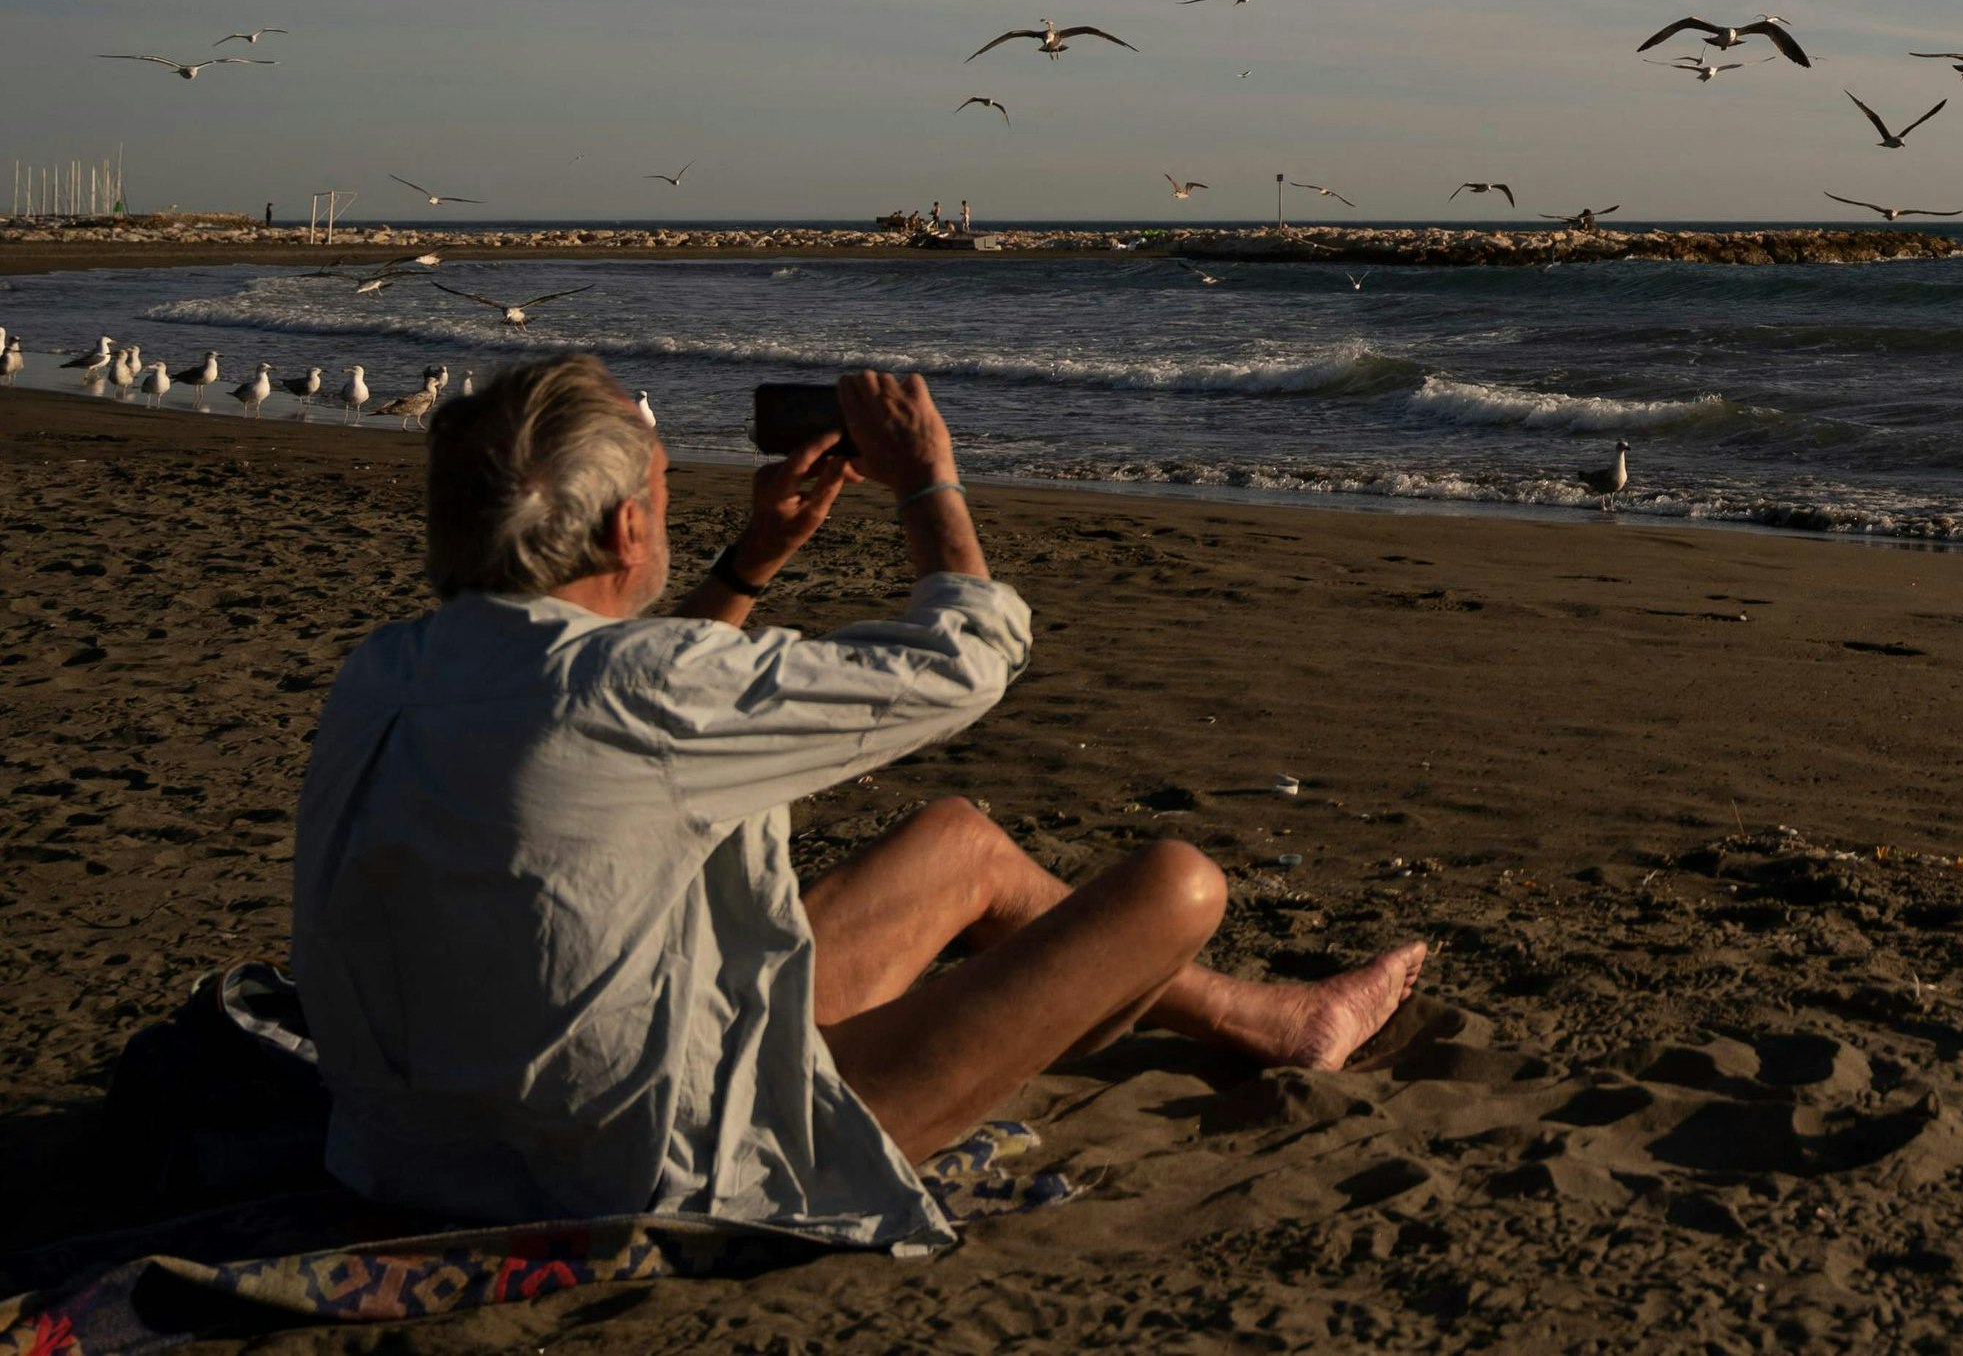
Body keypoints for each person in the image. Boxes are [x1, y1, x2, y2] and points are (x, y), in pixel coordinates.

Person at [291, 357, 1422, 1249]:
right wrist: (928, 474)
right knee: (1180, 885)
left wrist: (749, 562)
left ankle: (1275, 1023)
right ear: (629, 530)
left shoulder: (384, 669)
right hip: (641, 1168)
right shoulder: (640, 688)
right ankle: (1264, 1020)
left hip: (403, 1149)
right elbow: (971, 654)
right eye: (660, 499)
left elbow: (608, 728)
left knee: (960, 846)